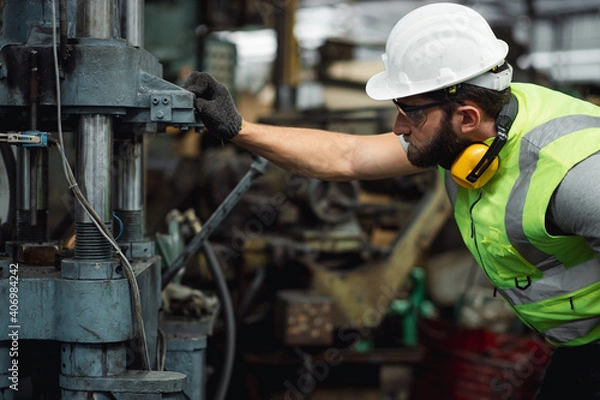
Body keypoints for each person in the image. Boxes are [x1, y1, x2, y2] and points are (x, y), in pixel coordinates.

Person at [182, 2, 600, 399]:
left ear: (468, 117)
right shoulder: (472, 131)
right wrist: (237, 128)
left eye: (411, 113)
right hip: (576, 345)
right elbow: (347, 157)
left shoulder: (575, 177)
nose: (399, 126)